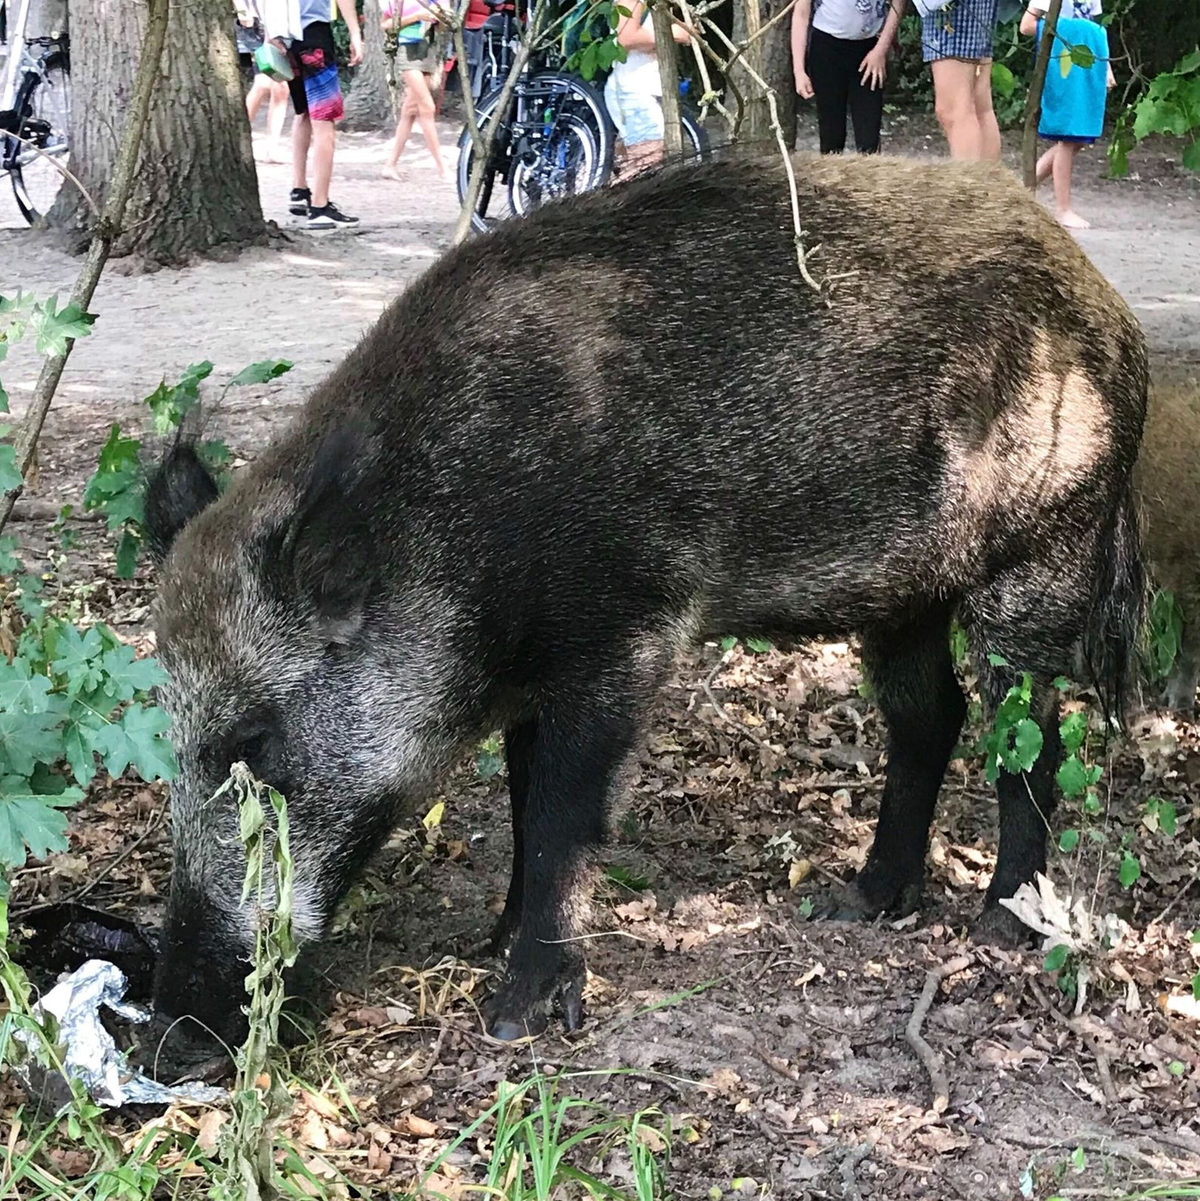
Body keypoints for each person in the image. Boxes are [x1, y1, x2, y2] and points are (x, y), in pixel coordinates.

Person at [262, 0, 364, 229]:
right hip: (314, 33)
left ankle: (299, 190)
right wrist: (355, 33)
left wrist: (269, 32)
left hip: (284, 39)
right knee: (324, 120)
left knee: (304, 112)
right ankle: (320, 207)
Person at [1021, 0, 1114, 229]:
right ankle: (1062, 209)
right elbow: (1027, 26)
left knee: (1078, 138)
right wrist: (1065, 32)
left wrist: (1106, 67)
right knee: (1068, 137)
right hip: (1062, 66)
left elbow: (1093, 27)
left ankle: (1018, 190)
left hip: (1085, 67)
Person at [792, 0, 905, 155]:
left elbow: (898, 5)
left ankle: (870, 176)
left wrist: (880, 50)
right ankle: (830, 175)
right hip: (827, 47)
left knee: (869, 134)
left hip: (869, 49)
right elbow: (801, 14)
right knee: (831, 132)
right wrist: (799, 71)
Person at [603, 0, 694, 175]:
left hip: (646, 91)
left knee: (637, 166)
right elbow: (626, 37)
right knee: (646, 167)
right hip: (633, 91)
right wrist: (672, 34)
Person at [921, 0, 1001, 160]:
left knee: (955, 111)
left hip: (952, 10)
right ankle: (989, 182)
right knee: (979, 107)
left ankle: (969, 183)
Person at [381, 0, 447, 181]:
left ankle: (390, 165)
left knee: (410, 110)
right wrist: (416, 17)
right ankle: (442, 168)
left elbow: (443, 27)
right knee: (427, 107)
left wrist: (440, 17)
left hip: (427, 50)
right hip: (406, 51)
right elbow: (386, 25)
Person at [235, 0, 290, 163]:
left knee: (271, 85)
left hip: (278, 23)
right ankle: (239, 138)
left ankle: (268, 147)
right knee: (273, 84)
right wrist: (242, 11)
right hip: (256, 24)